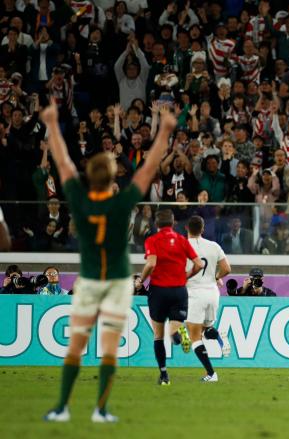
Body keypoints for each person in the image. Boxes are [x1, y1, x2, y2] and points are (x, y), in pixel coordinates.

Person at [42, 100, 177, 423]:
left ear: (89, 175)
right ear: (114, 175)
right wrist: (164, 132)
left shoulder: (77, 197)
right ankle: (100, 410)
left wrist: (51, 124)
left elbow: (62, 163)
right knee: (109, 348)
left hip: (88, 282)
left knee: (75, 346)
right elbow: (147, 169)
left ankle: (61, 407)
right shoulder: (123, 203)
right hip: (117, 282)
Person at [140, 209, 204, 386]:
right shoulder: (182, 240)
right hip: (179, 290)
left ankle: (164, 375)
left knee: (158, 336)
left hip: (159, 291)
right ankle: (175, 332)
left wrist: (141, 279)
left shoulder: (152, 240)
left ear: (156, 224)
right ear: (174, 223)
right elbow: (199, 264)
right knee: (174, 325)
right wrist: (187, 275)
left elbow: (151, 263)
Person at [185, 215, 232, 382]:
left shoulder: (183, 246)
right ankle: (217, 335)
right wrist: (215, 277)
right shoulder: (214, 245)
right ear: (203, 229)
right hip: (213, 293)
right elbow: (227, 268)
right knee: (204, 329)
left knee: (194, 336)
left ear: (186, 228)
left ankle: (211, 374)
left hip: (194, 294)